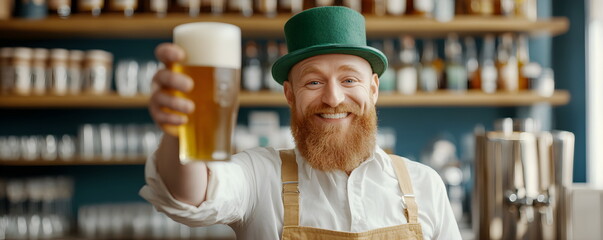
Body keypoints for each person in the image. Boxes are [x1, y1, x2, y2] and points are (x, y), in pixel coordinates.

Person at [140, 6, 462, 240]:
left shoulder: (424, 184)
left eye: (349, 79)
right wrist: (176, 130)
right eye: (313, 83)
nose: (334, 98)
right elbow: (190, 195)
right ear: (290, 95)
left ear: (374, 89)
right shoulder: (259, 176)